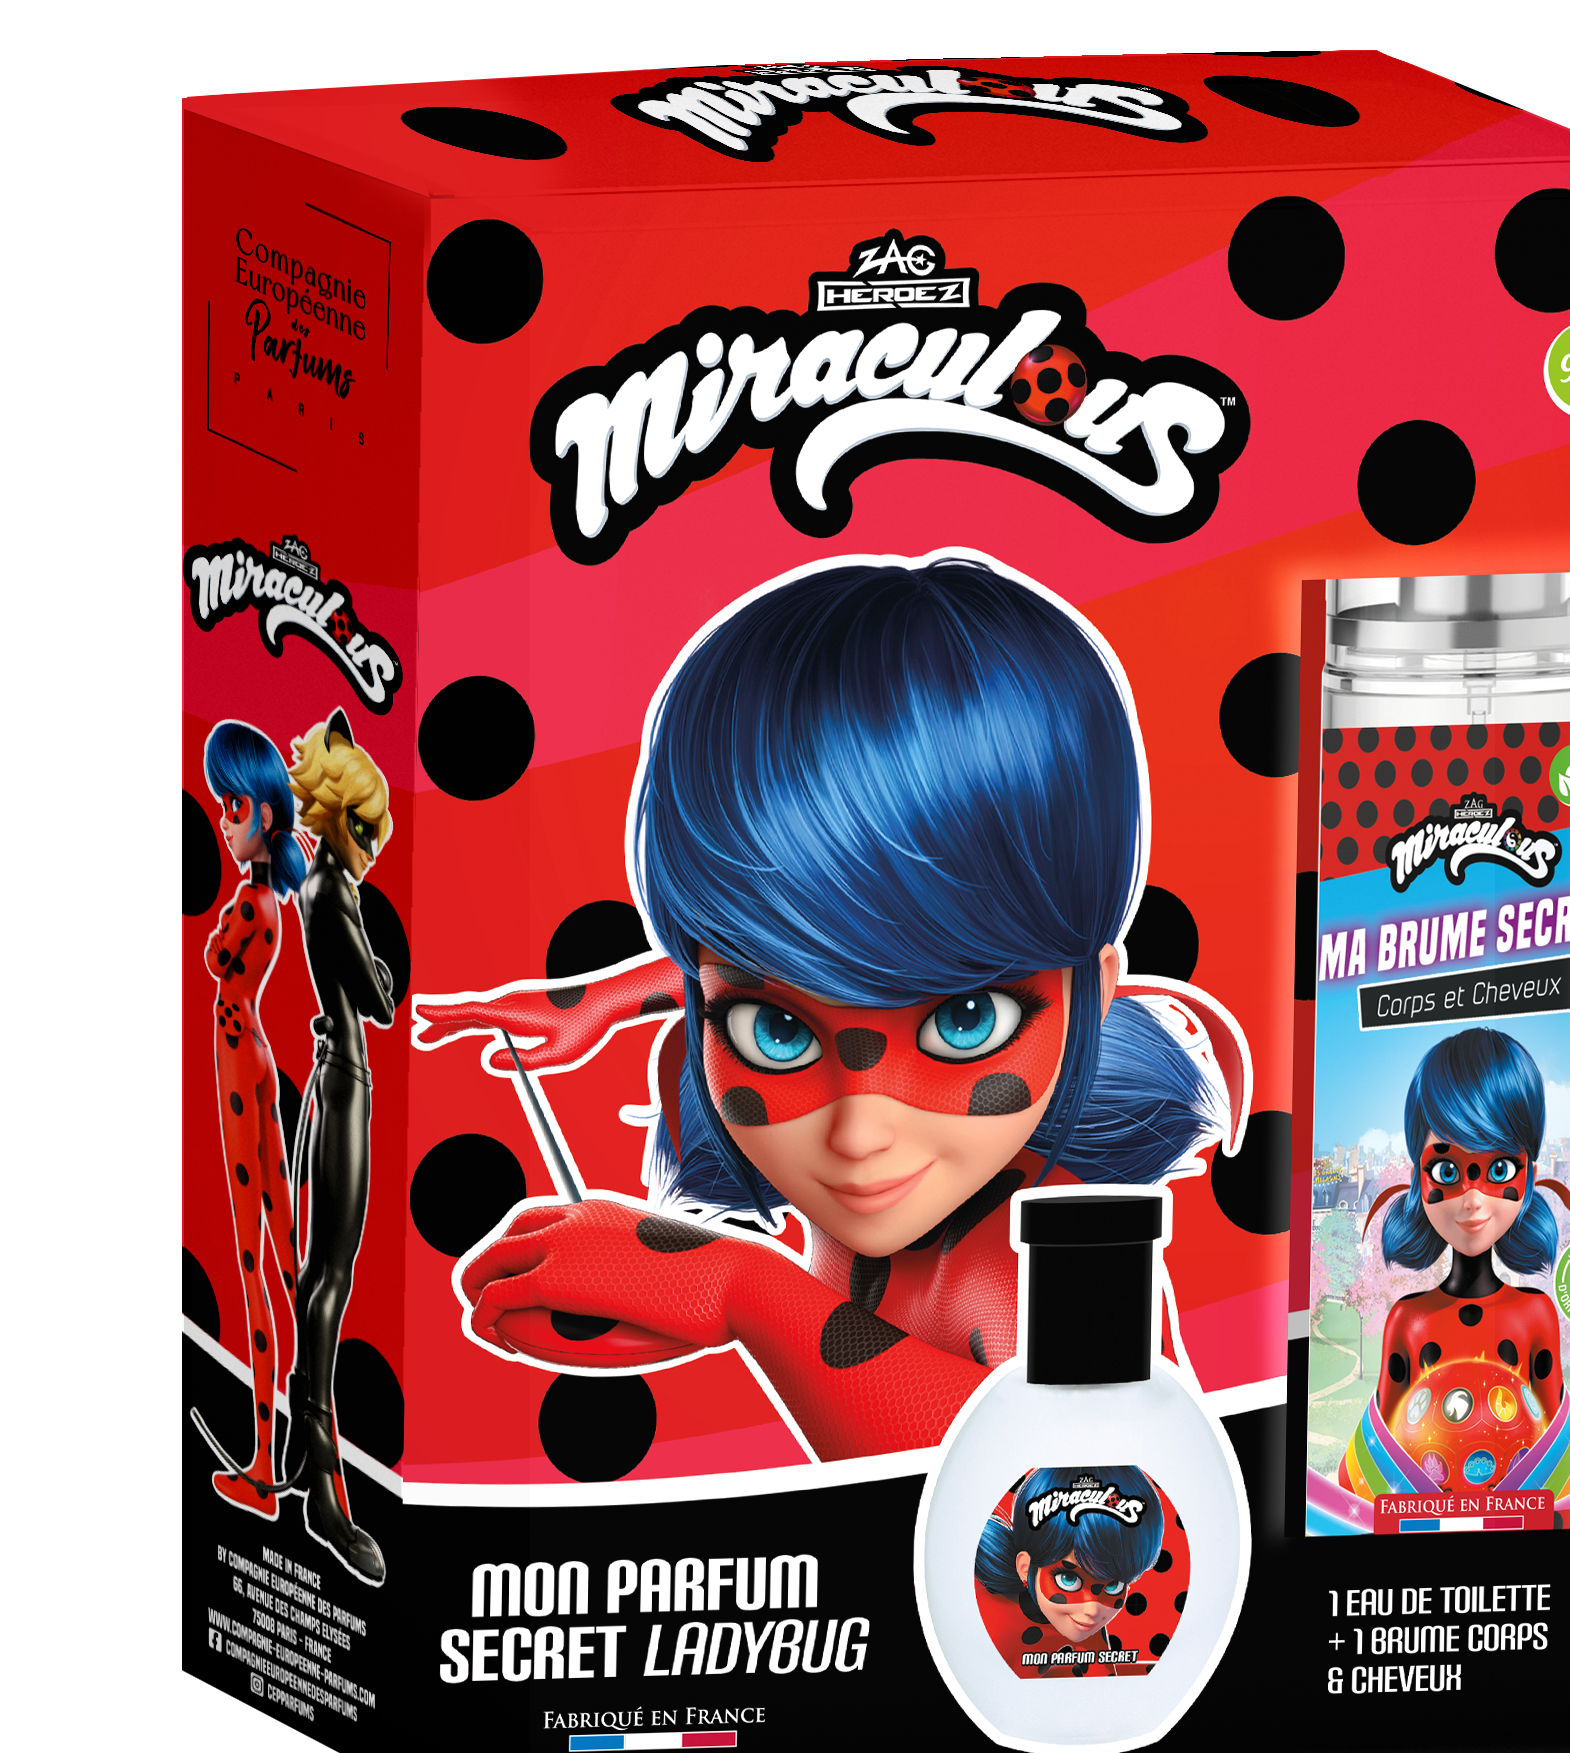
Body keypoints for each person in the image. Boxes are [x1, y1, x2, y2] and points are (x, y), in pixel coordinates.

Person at [414, 555, 1249, 1462]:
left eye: (965, 1021)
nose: (858, 1135)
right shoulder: (892, 1144)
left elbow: (1046, 1484)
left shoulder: (1044, 1257)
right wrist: (595, 1003)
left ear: (1096, 991)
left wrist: (743, 1294)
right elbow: (767, 969)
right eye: (776, 1032)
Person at [1337, 1027, 1570, 1501]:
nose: (1473, 1200)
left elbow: (1565, 1455)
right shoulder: (1408, 1321)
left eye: (1499, 1169)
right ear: (1418, 1178)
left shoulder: (1535, 1315)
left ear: (1529, 1175)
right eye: (1447, 1171)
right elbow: (1371, 1465)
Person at [286, 710, 394, 1583]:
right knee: (333, 1273)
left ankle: (301, 1445)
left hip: (338, 1071)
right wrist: (377, 971)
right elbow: (381, 997)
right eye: (371, 830)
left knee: (323, 1269)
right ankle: (323, 1482)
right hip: (346, 1078)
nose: (375, 848)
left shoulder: (325, 888)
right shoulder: (333, 892)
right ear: (347, 821)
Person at [197, 720, 309, 1517]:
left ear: (262, 814)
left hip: (242, 1066)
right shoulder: (271, 899)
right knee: (288, 1251)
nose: (223, 819)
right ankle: (309, 1445)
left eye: (232, 805)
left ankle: (268, 1466)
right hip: (257, 1061)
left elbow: (215, 961)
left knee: (255, 1264)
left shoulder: (250, 902)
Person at [972, 1466, 1174, 1678]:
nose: (1092, 1610)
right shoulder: (984, 1612)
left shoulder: (1083, 1624)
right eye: (1068, 1579)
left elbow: (1104, 1681)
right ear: (1025, 1568)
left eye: (1114, 1585)